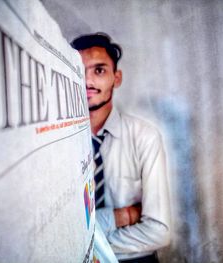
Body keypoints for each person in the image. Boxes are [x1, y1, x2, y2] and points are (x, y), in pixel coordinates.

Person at [71, 33, 171, 263]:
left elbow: (158, 231)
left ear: (116, 78)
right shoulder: (57, 144)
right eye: (79, 70)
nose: (87, 81)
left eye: (99, 70)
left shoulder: (144, 137)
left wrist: (88, 250)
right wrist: (122, 216)